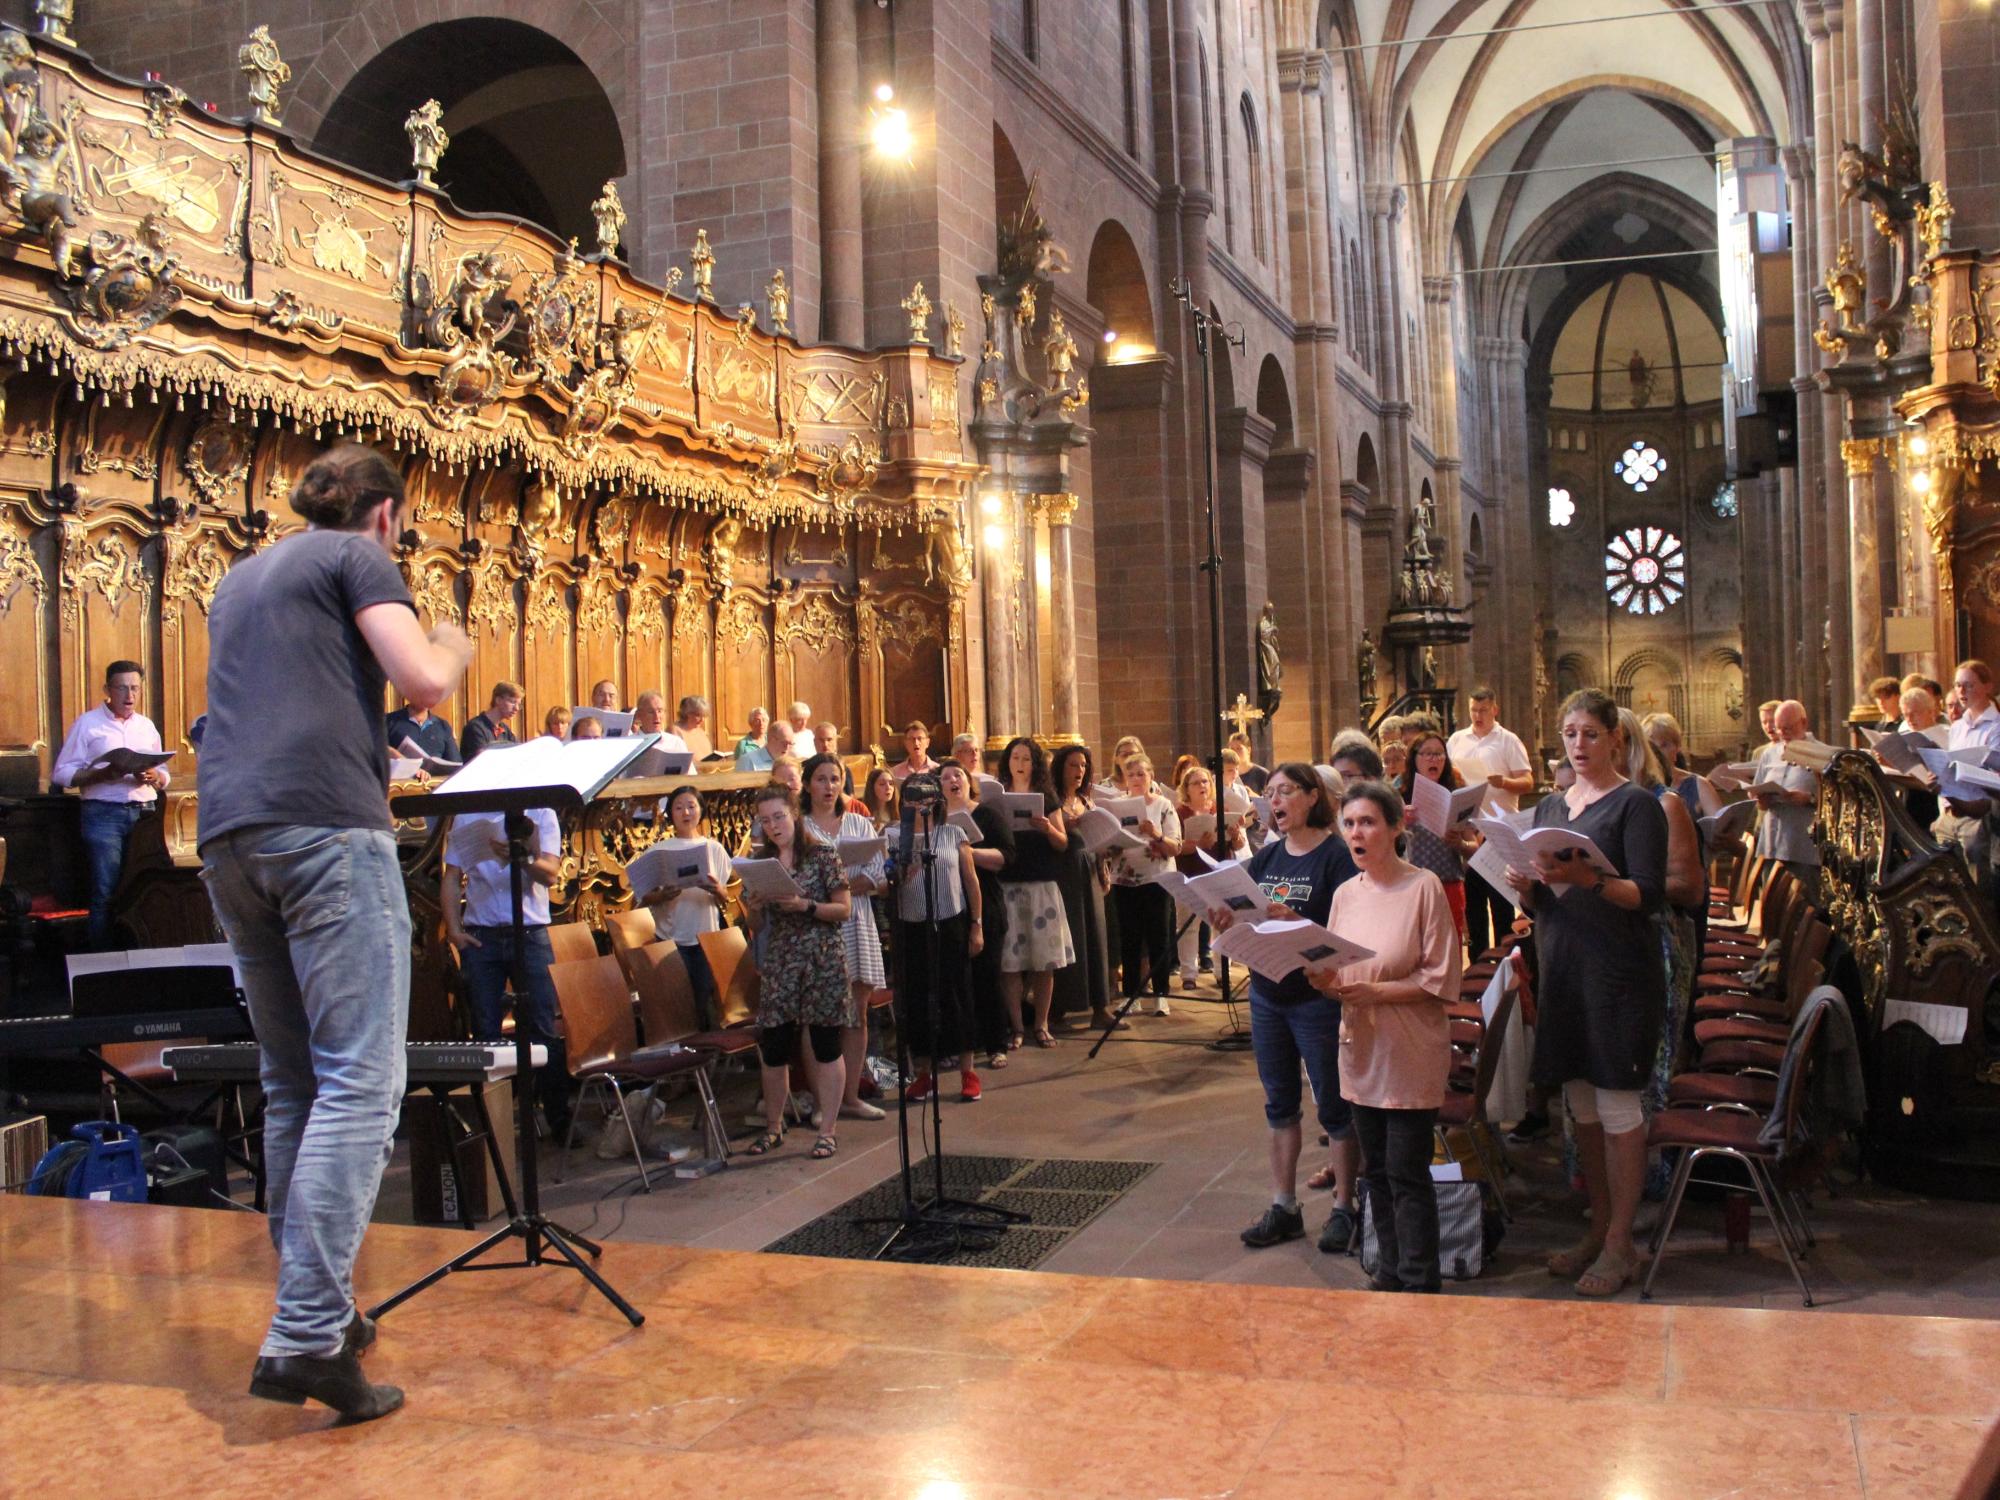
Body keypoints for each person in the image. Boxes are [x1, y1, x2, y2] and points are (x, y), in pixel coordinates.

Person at [199, 444, 474, 1421]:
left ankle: (317, 1313)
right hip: (324, 834)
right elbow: (422, 682)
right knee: (361, 1080)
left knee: (294, 1085)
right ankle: (307, 1332)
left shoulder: (240, 579)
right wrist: (452, 642)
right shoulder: (356, 555)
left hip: (231, 839)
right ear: (386, 515)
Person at [1501, 689, 1668, 1299]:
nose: (1578, 744)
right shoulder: (1552, 804)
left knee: (1619, 1108)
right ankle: (1599, 1230)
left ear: (1615, 739)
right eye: (1570, 734)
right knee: (1583, 1111)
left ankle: (1624, 1243)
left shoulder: (1636, 805)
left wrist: (1589, 877)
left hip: (1618, 975)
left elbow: (1646, 895)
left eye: (1590, 734)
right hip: (1564, 970)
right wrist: (1526, 886)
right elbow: (1543, 900)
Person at [1307, 780, 1462, 1293]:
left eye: (1368, 822)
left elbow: (1441, 979)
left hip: (1410, 1049)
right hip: (1361, 1048)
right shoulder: (1345, 894)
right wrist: (1322, 981)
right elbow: (1340, 977)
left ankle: (1420, 1282)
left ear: (1396, 828)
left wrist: (1376, 992)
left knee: (1406, 1173)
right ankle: (1389, 1272)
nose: (1356, 833)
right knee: (1373, 1172)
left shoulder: (1423, 888)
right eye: (1349, 823)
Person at [1211, 763, 1359, 1252]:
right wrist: (1224, 923)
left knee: (1334, 1105)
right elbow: (1247, 926)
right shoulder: (1266, 858)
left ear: (1313, 796)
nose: (1274, 800)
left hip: (1316, 998)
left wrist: (1298, 921)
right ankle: (1284, 1206)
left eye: (1285, 791)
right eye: (1270, 792)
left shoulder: (1337, 857)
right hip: (1267, 995)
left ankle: (1345, 1207)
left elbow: (1348, 935)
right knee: (1279, 1103)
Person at [441, 805, 571, 1137]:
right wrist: (454, 930)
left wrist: (520, 857)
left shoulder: (541, 811)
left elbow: (551, 874)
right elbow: (452, 875)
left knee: (542, 1027)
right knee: (485, 1031)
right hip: (482, 936)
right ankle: (493, 1128)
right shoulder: (468, 814)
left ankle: (559, 1120)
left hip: (529, 932)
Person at [738, 784, 852, 1158]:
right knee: (774, 1046)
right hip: (782, 960)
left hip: (821, 958)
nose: (773, 826)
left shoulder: (821, 854)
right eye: (765, 820)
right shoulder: (761, 862)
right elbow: (755, 924)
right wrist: (755, 906)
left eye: (779, 817)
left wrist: (805, 905)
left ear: (794, 815)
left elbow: (844, 909)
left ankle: (828, 1130)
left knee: (825, 1044)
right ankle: (774, 1127)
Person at [53, 660, 171, 949]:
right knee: (105, 891)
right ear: (107, 689)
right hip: (103, 814)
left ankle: (145, 955)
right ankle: (104, 960)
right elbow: (62, 773)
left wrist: (155, 776)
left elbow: (164, 773)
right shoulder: (88, 724)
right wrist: (99, 775)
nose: (129, 696)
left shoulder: (146, 726)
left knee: (147, 888)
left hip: (145, 814)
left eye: (135, 688)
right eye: (122, 688)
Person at [801, 753, 888, 1122]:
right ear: (808, 784)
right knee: (819, 1018)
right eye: (821, 779)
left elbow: (879, 877)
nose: (829, 786)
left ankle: (850, 1096)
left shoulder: (859, 823)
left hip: (857, 921)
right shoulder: (801, 827)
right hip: (819, 927)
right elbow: (802, 883)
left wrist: (838, 887)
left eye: (835, 779)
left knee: (857, 1014)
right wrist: (847, 884)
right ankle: (824, 1103)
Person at [891, 768, 986, 1103]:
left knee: (957, 995)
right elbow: (887, 885)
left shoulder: (952, 832)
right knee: (917, 999)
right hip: (912, 927)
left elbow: (971, 881)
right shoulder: (895, 837)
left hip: (951, 923)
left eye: (926, 795)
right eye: (912, 796)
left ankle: (967, 1071)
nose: (920, 803)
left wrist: (977, 924)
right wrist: (902, 873)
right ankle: (923, 1074)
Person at [994, 736, 1076, 1047]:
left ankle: (1041, 1024)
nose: (1020, 764)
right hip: (1008, 884)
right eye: (1015, 758)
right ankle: (1017, 1027)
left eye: (1026, 759)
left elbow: (1063, 842)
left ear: (1035, 764)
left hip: (1041, 885)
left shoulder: (1046, 796)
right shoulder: (998, 797)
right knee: (1010, 962)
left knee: (1044, 960)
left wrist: (1047, 828)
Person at [1447, 688, 1534, 954]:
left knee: (1500, 903)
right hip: (1470, 829)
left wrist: (1504, 782)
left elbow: (1528, 781)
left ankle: (1506, 961)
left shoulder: (1508, 740)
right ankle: (1478, 963)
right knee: (1474, 903)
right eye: (1473, 710)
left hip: (1499, 830)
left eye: (1483, 710)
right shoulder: (1457, 740)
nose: (1478, 715)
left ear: (1494, 710)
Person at [637, 785, 731, 1029]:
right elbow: (643, 897)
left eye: (691, 806)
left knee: (704, 999)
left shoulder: (714, 848)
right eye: (679, 808)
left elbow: (725, 897)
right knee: (678, 1003)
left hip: (706, 938)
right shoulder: (659, 851)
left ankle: (705, 1047)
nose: (686, 813)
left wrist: (717, 890)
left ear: (701, 810)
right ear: (670, 813)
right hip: (671, 938)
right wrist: (662, 895)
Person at [941, 762, 1015, 1067]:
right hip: (950, 907)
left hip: (986, 903)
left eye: (957, 774)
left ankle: (997, 1044)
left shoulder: (987, 815)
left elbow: (1007, 856)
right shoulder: (936, 821)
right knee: (956, 983)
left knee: (987, 976)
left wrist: (970, 853)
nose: (952, 780)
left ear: (968, 781)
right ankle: (959, 1046)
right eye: (945, 777)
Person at [1105, 753, 1181, 1015]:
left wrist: (1155, 834)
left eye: (1141, 773)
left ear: (1151, 776)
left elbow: (1175, 846)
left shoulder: (1163, 805)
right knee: (1129, 939)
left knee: (1158, 937)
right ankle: (1131, 996)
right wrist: (1112, 843)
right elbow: (1108, 844)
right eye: (1131, 774)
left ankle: (1160, 994)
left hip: (1156, 879)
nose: (1136, 779)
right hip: (1124, 880)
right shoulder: (1116, 806)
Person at [1050, 743, 1117, 1029]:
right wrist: (1065, 826)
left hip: (1089, 873)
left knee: (1096, 937)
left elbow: (1098, 841)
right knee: (1069, 938)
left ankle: (1100, 1008)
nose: (1079, 771)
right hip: (1063, 875)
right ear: (1061, 768)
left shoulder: (1086, 802)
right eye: (1073, 765)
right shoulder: (1052, 801)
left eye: (1083, 766)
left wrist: (1104, 866)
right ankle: (1058, 1008)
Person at [1396, 730, 1475, 941]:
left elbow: (1474, 847)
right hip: (1412, 884)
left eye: (1439, 754)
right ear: (1414, 758)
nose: (1434, 759)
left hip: (1448, 883)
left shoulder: (1456, 794)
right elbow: (1385, 842)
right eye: (1427, 753)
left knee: (1450, 944)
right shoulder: (1400, 794)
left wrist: (1460, 843)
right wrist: (1401, 823)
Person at [1173, 762, 1243, 987]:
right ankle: (1188, 974)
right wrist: (1198, 845)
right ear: (1186, 789)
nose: (1202, 786)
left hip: (1219, 872)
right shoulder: (1180, 813)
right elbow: (1176, 847)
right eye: (1196, 783)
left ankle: (1223, 972)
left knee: (1222, 923)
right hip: (1190, 873)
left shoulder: (1221, 809)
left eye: (1205, 781)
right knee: (1188, 925)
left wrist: (1235, 835)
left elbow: (1239, 845)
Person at [1751, 700, 1822, 899]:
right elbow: (1757, 792)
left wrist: (1809, 799)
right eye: (1779, 728)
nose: (1782, 734)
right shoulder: (1769, 753)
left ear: (1804, 723)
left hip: (1802, 847)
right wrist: (1761, 800)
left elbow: (1837, 799)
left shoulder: (1822, 754)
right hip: (1772, 845)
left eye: (1788, 728)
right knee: (1771, 905)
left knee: (1807, 906)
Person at [1940, 660, 2000, 891]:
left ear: (1987, 686)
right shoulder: (1957, 727)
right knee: (1949, 882)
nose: (1962, 691)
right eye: (1958, 685)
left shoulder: (1996, 725)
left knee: (1979, 885)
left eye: (1969, 685)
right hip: (1952, 808)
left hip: (1979, 811)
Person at [1641, 712, 1723, 820]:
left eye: (1664, 745)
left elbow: (1721, 826)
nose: (1656, 752)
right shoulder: (1638, 786)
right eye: (1651, 746)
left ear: (1677, 747)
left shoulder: (1699, 785)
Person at [384, 697, 456, 767]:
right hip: (402, 773)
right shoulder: (388, 721)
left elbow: (455, 764)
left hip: (435, 775)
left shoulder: (442, 725)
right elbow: (380, 754)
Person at [460, 681, 522, 761]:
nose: (516, 708)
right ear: (498, 700)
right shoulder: (475, 727)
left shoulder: (505, 729)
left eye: (519, 704)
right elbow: (483, 759)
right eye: (512, 702)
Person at [813, 723, 855, 794]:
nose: (825, 744)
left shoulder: (843, 769)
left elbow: (850, 796)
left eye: (829, 740)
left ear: (836, 742)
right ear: (814, 742)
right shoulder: (808, 768)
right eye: (821, 740)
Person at [674, 695, 714, 760]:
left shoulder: (700, 731)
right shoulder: (675, 731)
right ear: (687, 713)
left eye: (704, 716)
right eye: (698, 715)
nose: (702, 720)